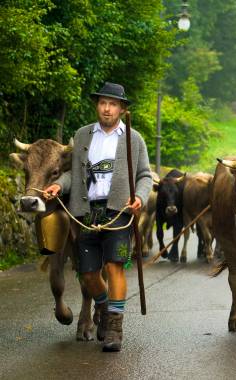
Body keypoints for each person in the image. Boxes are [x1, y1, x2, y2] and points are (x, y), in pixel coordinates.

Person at [44, 82, 152, 351]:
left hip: (118, 211)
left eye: (113, 104)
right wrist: (61, 185)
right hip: (86, 213)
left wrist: (139, 196)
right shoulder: (82, 136)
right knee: (88, 274)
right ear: (97, 105)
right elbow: (74, 174)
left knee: (115, 266)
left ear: (122, 108)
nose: (107, 108)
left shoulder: (133, 139)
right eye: (103, 103)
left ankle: (114, 328)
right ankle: (103, 308)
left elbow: (145, 175)